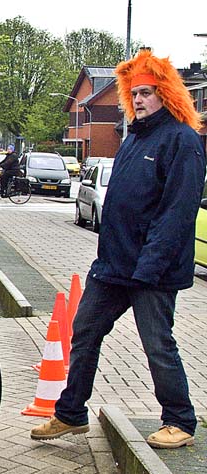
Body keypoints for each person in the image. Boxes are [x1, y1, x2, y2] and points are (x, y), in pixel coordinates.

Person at [31, 49, 206, 449]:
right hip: (112, 266)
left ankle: (180, 420)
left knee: (157, 343)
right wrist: (105, 257)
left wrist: (149, 267)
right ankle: (71, 413)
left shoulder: (181, 141)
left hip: (152, 272)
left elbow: (176, 214)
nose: (139, 100)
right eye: (135, 93)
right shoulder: (132, 139)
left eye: (147, 92)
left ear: (167, 94)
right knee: (84, 331)